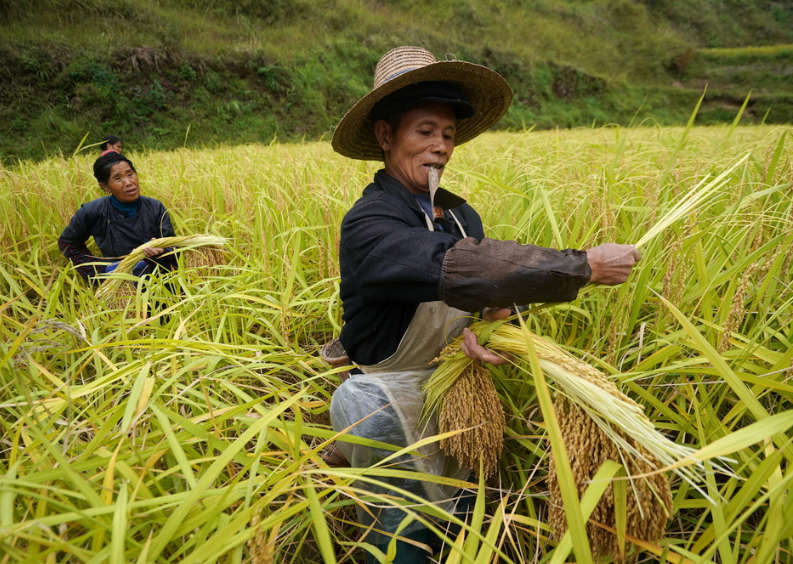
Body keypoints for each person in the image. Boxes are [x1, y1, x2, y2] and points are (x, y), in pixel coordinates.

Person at [328, 46, 642, 563]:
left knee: (460, 528)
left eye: (448, 135)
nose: (441, 147)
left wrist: (487, 324)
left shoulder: (460, 218)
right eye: (424, 131)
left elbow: (480, 288)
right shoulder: (370, 222)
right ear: (386, 136)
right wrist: (581, 266)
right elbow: (449, 265)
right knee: (403, 540)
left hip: (455, 397)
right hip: (385, 400)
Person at [59, 152, 176, 284]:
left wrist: (161, 251)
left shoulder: (155, 207)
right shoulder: (93, 212)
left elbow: (173, 248)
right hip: (120, 285)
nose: (128, 182)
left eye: (130, 174)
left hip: (159, 282)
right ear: (105, 186)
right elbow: (67, 243)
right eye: (118, 178)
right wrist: (99, 273)